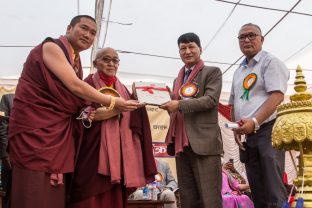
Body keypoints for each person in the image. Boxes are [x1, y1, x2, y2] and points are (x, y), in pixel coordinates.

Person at [8, 15, 139, 208]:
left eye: (93, 33)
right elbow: (74, 87)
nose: (88, 35)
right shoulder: (52, 47)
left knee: (53, 196)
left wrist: (93, 112)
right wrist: (112, 102)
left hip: (58, 137)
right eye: (83, 28)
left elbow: (77, 108)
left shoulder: (75, 63)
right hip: (36, 133)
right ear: (69, 28)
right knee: (33, 192)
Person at [68, 47, 157, 208]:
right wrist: (118, 108)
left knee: (114, 197)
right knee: (88, 196)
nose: (111, 64)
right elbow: (87, 115)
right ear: (96, 63)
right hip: (93, 153)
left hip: (119, 156)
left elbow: (134, 120)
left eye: (115, 60)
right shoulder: (87, 84)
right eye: (106, 59)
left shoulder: (124, 89)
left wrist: (143, 103)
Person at [160, 32, 223, 208]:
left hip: (204, 144)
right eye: (183, 48)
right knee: (188, 199)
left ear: (200, 49)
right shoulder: (177, 79)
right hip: (181, 146)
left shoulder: (212, 72)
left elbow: (210, 100)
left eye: (191, 47)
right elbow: (177, 108)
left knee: (209, 199)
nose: (187, 51)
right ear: (179, 52)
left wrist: (178, 105)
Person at [229, 23, 289, 208]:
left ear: (262, 39)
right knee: (257, 190)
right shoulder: (239, 71)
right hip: (249, 136)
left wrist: (254, 121)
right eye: (241, 37)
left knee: (273, 190)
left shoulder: (270, 62)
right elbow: (233, 102)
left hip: (268, 131)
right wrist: (235, 128)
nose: (246, 40)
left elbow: (277, 96)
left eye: (251, 35)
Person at [0, 93, 14, 208]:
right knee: (8, 192)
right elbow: (2, 127)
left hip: (28, 158)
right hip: (9, 157)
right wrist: (4, 155)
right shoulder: (8, 98)